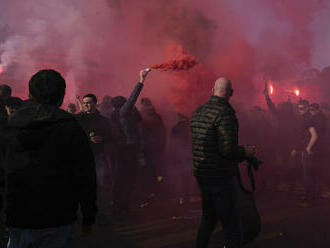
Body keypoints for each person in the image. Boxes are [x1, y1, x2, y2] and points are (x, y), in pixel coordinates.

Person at [0, 69, 97, 248]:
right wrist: (88, 217)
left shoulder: (9, 126)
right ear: (61, 98)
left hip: (18, 217)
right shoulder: (71, 129)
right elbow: (86, 176)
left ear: (29, 94)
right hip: (57, 218)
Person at [191, 77, 256, 248]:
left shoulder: (199, 111)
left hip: (202, 174)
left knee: (208, 220)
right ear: (231, 93)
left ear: (212, 91)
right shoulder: (225, 113)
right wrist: (245, 152)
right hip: (220, 177)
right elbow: (227, 149)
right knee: (232, 227)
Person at [110, 69, 150, 217]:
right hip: (127, 150)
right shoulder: (122, 113)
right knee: (126, 179)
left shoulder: (120, 115)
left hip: (125, 150)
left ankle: (121, 206)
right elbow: (133, 99)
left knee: (124, 179)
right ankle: (121, 207)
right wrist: (141, 80)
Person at [75, 94, 112, 219]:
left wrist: (102, 139)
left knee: (100, 184)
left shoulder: (103, 120)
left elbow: (110, 137)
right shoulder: (77, 119)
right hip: (81, 157)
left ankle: (101, 212)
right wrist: (87, 138)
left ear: (95, 103)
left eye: (89, 102)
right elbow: (73, 136)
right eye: (84, 103)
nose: (86, 105)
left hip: (97, 156)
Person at [291, 100, 318, 207]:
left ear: (307, 108)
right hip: (305, 150)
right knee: (308, 175)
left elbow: (314, 135)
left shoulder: (307, 119)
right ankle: (308, 197)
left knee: (308, 176)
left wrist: (308, 148)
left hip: (307, 151)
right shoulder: (306, 118)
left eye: (301, 108)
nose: (299, 110)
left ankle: (309, 199)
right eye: (298, 108)